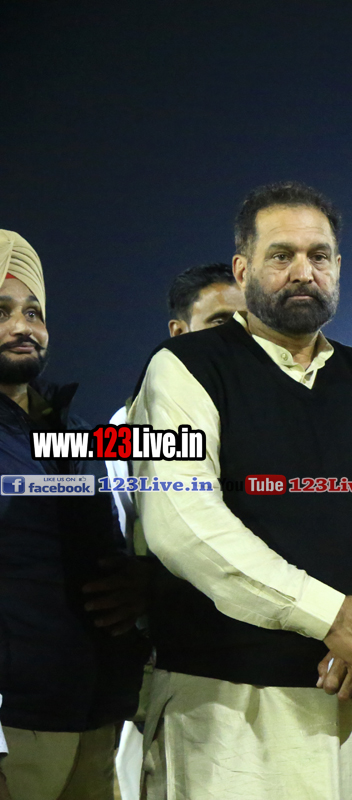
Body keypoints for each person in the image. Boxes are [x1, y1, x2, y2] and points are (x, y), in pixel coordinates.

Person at [129, 182, 352, 799]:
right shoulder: (184, 367)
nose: (303, 271)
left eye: (318, 255)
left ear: (338, 268)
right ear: (243, 270)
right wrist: (332, 616)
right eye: (282, 255)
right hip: (228, 710)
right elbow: (183, 522)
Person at [0, 230, 148, 800]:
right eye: (2, 311)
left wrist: (136, 583)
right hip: (15, 725)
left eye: (33, 312)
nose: (23, 327)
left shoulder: (73, 433)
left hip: (93, 715)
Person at [107, 261, 246, 800]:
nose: (237, 336)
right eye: (220, 322)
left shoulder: (269, 418)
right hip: (171, 661)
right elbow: (123, 538)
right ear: (179, 332)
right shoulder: (127, 428)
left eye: (247, 322)